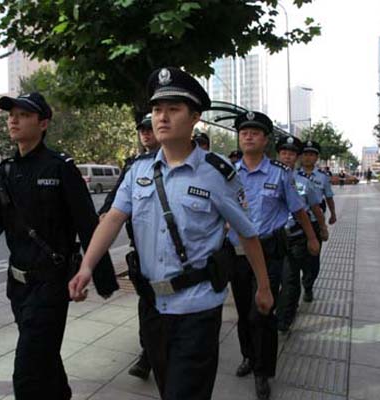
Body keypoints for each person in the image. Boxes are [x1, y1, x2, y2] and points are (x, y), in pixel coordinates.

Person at [68, 67, 274, 400]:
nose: (162, 117)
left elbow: (247, 234)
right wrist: (87, 266)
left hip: (198, 308)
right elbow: (113, 218)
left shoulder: (216, 173)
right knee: (168, 389)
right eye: (157, 109)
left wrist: (263, 287)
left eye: (173, 109)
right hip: (153, 305)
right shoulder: (138, 170)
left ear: (195, 118)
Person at [0, 92, 118, 400]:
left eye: (23, 115)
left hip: (51, 285)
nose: (14, 120)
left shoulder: (60, 167)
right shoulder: (8, 170)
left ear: (43, 123)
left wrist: (100, 278)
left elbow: (87, 224)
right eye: (11, 115)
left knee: (27, 374)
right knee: (43, 357)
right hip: (18, 286)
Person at [228, 113, 320, 400]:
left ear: (265, 140)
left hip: (269, 252)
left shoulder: (280, 173)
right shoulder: (228, 173)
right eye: (244, 132)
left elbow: (298, 209)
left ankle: (262, 371)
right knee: (244, 311)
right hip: (237, 254)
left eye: (255, 132)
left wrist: (313, 237)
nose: (248, 136)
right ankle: (248, 356)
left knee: (263, 310)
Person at [98, 114, 160, 380]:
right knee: (147, 303)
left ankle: (158, 354)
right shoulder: (134, 165)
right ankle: (147, 354)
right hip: (142, 248)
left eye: (149, 129)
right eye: (142, 130)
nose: (145, 133)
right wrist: (104, 214)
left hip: (172, 251)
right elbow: (116, 198)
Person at [274, 135, 328, 332]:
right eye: (283, 153)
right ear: (278, 155)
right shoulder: (268, 177)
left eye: (291, 154)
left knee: (290, 278)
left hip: (295, 236)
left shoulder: (305, 183)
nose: (287, 157)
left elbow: (315, 208)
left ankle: (284, 319)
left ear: (296, 157)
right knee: (273, 278)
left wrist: (321, 229)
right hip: (271, 238)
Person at [299, 140, 337, 302]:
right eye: (305, 154)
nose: (308, 157)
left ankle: (308, 285)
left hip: (315, 222)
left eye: (312, 154)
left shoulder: (323, 177)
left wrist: (333, 214)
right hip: (296, 223)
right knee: (295, 259)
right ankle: (293, 289)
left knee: (313, 258)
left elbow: (328, 196)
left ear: (316, 158)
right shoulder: (291, 175)